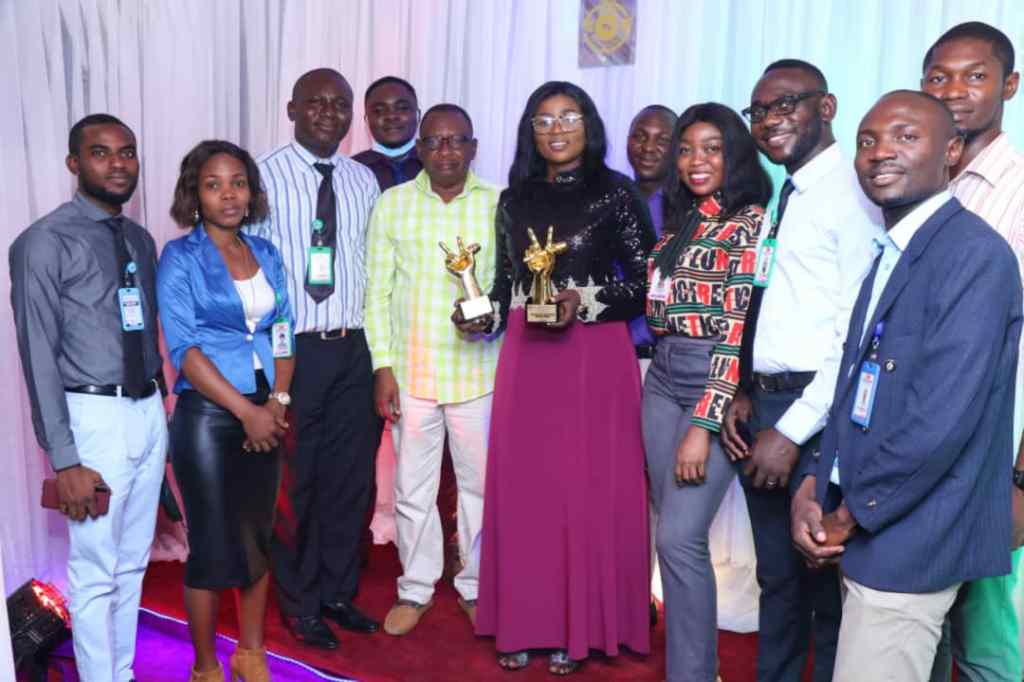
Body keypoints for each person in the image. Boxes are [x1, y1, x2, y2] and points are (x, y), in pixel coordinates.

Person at [792, 90, 1021, 682]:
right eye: (867, 141)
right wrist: (816, 483)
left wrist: (850, 515)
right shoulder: (894, 249)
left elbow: (941, 420)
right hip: (877, 522)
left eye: (905, 136)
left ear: (952, 152)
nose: (880, 152)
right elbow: (854, 389)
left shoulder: (974, 255)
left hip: (912, 538)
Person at [475, 81, 655, 675]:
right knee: (526, 490)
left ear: (589, 124)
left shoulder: (616, 193)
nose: (557, 129)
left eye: (569, 116)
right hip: (528, 355)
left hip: (594, 356)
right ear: (530, 130)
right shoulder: (514, 198)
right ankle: (524, 621)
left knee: (584, 488)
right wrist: (482, 313)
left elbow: (647, 283)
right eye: (544, 119)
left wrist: (587, 301)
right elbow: (506, 283)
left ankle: (580, 626)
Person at [719, 59, 883, 681]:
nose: (769, 121)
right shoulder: (785, 196)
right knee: (778, 579)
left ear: (827, 107)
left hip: (816, 411)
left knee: (824, 580)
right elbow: (773, 300)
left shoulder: (851, 196)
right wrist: (745, 386)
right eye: (759, 111)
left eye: (786, 105)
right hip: (767, 404)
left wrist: (790, 433)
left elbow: (854, 334)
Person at [9, 114, 167, 681]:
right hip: (92, 417)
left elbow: (145, 333)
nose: (118, 163)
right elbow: (37, 355)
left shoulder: (140, 240)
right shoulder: (42, 242)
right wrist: (65, 458)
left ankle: (119, 673)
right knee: (96, 570)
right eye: (101, 153)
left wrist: (160, 418)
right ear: (74, 163)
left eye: (127, 152)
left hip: (147, 409)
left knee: (132, 565)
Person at [248, 67, 382, 650]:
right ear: (291, 109)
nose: (329, 113)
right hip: (293, 351)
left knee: (348, 481)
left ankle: (337, 593)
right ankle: (300, 603)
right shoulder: (261, 176)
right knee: (295, 484)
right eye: (316, 103)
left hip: (354, 346)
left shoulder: (362, 180)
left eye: (340, 104)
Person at [641, 103, 770, 682]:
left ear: (734, 154)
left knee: (679, 536)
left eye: (712, 148)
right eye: (688, 149)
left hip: (707, 376)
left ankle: (692, 675)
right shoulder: (686, 218)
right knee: (673, 534)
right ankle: (698, 669)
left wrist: (704, 422)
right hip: (662, 374)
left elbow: (736, 330)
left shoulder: (748, 222)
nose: (697, 160)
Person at [158, 140, 294, 682]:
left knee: (257, 537)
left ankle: (251, 654)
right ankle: (206, 666)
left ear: (251, 191)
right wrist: (245, 412)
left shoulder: (267, 253)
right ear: (195, 194)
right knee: (213, 546)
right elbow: (184, 350)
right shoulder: (180, 257)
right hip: (209, 416)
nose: (228, 194)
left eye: (238, 182)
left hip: (267, 407)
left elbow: (283, 331)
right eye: (213, 184)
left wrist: (277, 402)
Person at [365, 103, 502, 636]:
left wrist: (490, 318)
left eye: (456, 140)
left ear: (473, 147)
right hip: (413, 374)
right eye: (435, 141)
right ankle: (415, 588)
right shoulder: (393, 204)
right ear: (419, 149)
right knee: (411, 490)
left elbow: (507, 286)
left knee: (480, 490)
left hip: (478, 373)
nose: (445, 151)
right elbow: (377, 293)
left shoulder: (498, 203)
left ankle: (475, 586)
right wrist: (383, 366)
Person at [921, 22, 1024, 682]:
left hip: (997, 454)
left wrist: (1022, 482)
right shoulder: (912, 185)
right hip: (921, 448)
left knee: (989, 643)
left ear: (1009, 86)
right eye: (939, 76)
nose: (954, 90)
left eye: (975, 75)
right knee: (918, 632)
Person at [625, 104, 677, 374]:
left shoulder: (686, 211)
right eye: (640, 136)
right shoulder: (612, 201)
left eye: (662, 140)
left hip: (664, 364)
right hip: (610, 354)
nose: (648, 147)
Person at [353, 76, 423, 191]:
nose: (391, 116)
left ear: (418, 115)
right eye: (379, 110)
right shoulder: (351, 170)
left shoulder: (439, 163)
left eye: (402, 108)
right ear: (366, 120)